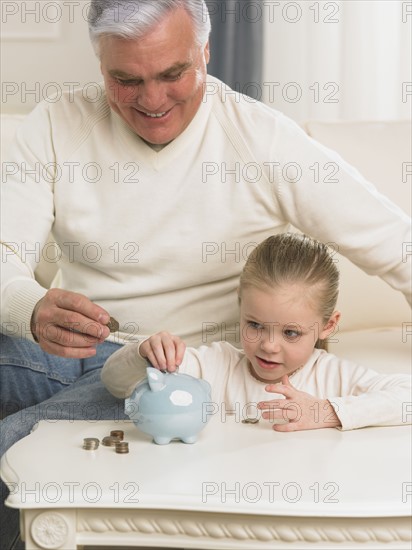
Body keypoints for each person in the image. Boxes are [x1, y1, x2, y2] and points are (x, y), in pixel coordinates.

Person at [0, 0, 410, 546]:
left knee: (15, 452)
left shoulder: (260, 139)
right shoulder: (57, 121)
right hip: (58, 344)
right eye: (126, 79)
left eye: (173, 74)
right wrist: (29, 305)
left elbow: (396, 244)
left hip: (171, 369)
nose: (151, 101)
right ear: (100, 65)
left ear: (206, 53)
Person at [101, 233, 411, 431]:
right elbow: (115, 384)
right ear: (241, 308)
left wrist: (326, 411)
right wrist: (143, 353)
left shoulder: (332, 376)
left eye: (291, 333)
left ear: (327, 325)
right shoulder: (215, 364)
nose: (269, 346)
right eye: (255, 325)